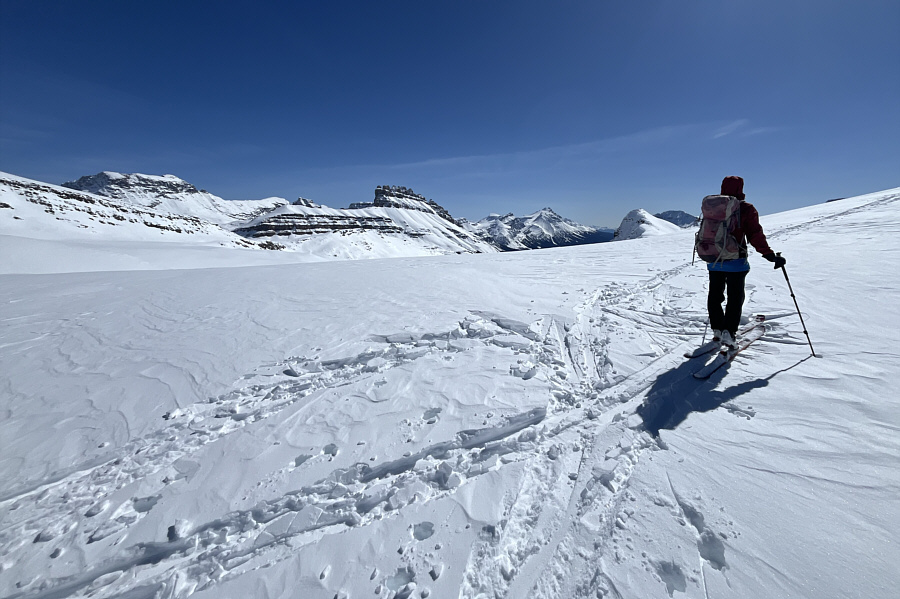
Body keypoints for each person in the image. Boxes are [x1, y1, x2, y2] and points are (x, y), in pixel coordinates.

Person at [707, 176, 786, 348]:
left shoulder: (712, 206)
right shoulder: (746, 208)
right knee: (735, 296)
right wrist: (769, 255)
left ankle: (717, 330)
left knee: (715, 295)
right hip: (736, 260)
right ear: (740, 188)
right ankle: (729, 332)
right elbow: (755, 235)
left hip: (713, 259)